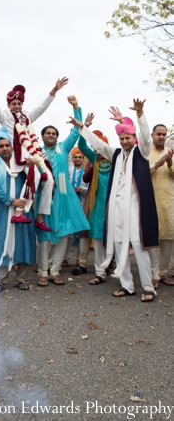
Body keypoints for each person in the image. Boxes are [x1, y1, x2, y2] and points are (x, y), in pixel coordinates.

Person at [69, 99, 158, 302]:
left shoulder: (142, 152)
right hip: (116, 210)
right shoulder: (115, 154)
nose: (124, 141)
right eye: (122, 138)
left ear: (133, 138)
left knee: (138, 245)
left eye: (127, 138)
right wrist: (82, 127)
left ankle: (148, 287)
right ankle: (127, 286)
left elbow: (145, 137)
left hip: (136, 210)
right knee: (118, 246)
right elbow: (98, 144)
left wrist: (141, 112)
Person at [0, 66, 68, 230]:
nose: (17, 106)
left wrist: (54, 90)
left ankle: (40, 216)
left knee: (48, 178)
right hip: (16, 155)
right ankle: (19, 213)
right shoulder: (4, 116)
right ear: (9, 104)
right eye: (14, 104)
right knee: (34, 176)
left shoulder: (27, 117)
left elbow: (41, 108)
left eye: (19, 103)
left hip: (32, 152)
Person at [35, 121, 90, 287]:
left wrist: (77, 112)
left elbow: (75, 134)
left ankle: (55, 271)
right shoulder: (36, 152)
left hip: (64, 198)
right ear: (42, 136)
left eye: (54, 133)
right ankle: (43, 273)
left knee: (64, 235)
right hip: (44, 197)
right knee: (45, 237)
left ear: (57, 137)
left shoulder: (64, 148)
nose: (51, 135)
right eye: (48, 133)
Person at [0, 127, 36, 293]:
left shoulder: (21, 164)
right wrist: (11, 201)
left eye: (7, 145)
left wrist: (31, 165)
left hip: (23, 209)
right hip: (2, 211)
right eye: (1, 146)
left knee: (24, 243)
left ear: (12, 146)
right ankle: (1, 280)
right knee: (2, 243)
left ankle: (22, 279)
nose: (5, 148)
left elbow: (33, 180)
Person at [77, 119, 112, 284]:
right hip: (97, 204)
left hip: (114, 204)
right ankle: (100, 273)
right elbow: (82, 146)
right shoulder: (95, 159)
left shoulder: (115, 157)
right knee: (97, 239)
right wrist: (85, 128)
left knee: (115, 239)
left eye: (100, 147)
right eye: (95, 147)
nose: (97, 150)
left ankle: (118, 269)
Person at [148, 124, 174, 288]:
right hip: (150, 200)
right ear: (152, 135)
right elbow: (143, 173)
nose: (161, 137)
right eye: (158, 134)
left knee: (168, 238)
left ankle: (163, 273)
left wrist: (170, 164)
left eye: (164, 135)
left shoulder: (170, 152)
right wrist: (158, 163)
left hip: (168, 201)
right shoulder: (146, 152)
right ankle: (153, 274)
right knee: (153, 239)